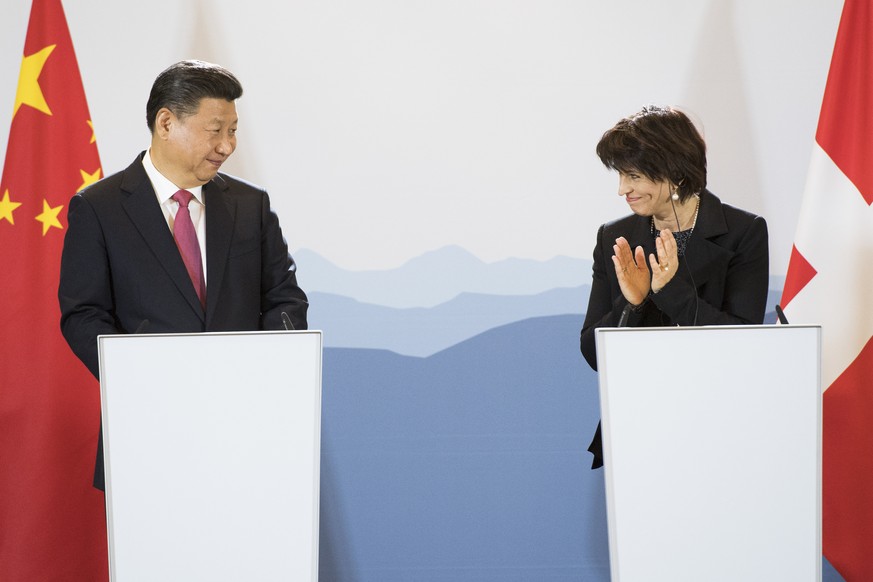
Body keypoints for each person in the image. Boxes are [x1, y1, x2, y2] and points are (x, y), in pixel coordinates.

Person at [58, 60, 309, 489]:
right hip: (146, 431)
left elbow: (285, 299)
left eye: (233, 130)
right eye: (216, 130)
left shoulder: (250, 205)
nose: (228, 145)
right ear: (166, 122)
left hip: (246, 433)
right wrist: (146, 378)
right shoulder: (99, 209)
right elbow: (83, 315)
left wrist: (272, 365)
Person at [579, 105, 769, 468]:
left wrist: (671, 293)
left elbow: (746, 343)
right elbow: (592, 353)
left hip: (720, 429)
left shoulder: (743, 233)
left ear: (674, 172)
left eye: (633, 176)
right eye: (620, 176)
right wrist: (632, 304)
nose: (622, 189)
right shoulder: (614, 237)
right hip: (637, 428)